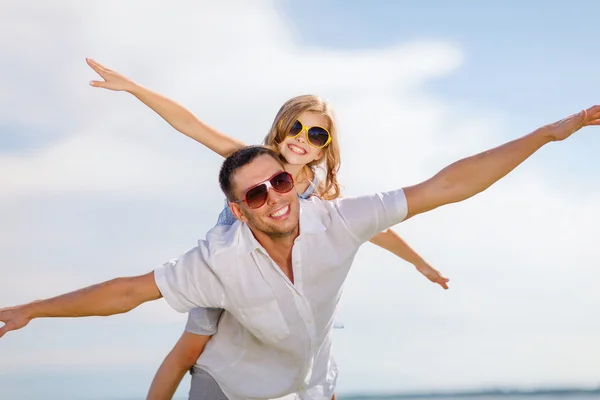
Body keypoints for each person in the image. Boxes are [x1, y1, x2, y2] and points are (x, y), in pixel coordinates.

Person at [1, 106, 598, 400]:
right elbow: (129, 291)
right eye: (256, 192)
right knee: (192, 347)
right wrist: (32, 310)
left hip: (302, 375)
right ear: (239, 207)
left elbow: (445, 186)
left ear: (303, 175)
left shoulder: (336, 215)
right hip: (229, 382)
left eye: (281, 183)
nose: (274, 197)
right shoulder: (217, 257)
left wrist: (548, 134)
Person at [84, 59, 449, 399]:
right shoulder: (253, 160)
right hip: (229, 269)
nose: (302, 138)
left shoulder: (316, 191)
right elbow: (191, 125)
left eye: (316, 135)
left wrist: (420, 263)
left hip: (277, 281)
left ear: (323, 150)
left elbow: (377, 226)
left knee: (316, 351)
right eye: (296, 127)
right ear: (280, 127)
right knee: (189, 350)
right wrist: (134, 88)